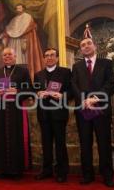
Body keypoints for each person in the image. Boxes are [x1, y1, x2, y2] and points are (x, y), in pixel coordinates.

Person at [71, 38, 114, 187]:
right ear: (80, 50)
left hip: (101, 108)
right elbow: (74, 86)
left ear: (94, 46)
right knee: (85, 143)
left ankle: (107, 175)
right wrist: (84, 100)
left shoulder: (106, 63)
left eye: (88, 43)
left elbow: (111, 84)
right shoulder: (76, 66)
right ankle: (87, 174)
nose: (86, 46)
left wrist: (96, 98)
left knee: (104, 143)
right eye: (82, 45)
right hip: (83, 110)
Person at [0, 47, 32, 179]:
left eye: (10, 54)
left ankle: (16, 169)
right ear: (2, 57)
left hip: (16, 110)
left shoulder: (23, 71)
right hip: (0, 110)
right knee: (0, 137)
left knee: (16, 137)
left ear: (15, 56)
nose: (7, 56)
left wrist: (17, 91)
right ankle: (1, 168)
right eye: (5, 55)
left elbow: (29, 89)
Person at [34, 48, 71, 183]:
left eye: (52, 55)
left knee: (60, 144)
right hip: (43, 114)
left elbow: (71, 90)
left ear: (57, 58)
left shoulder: (65, 72)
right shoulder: (38, 74)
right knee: (46, 144)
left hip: (59, 113)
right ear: (44, 58)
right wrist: (38, 93)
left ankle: (62, 172)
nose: (49, 57)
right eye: (46, 55)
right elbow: (35, 89)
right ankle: (47, 170)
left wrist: (62, 95)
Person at [0, 4, 44, 77]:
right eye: (17, 8)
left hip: (23, 41)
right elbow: (9, 30)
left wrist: (22, 34)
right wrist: (3, 35)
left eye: (20, 8)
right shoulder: (14, 19)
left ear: (23, 9)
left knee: (22, 60)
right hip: (14, 41)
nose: (18, 9)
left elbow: (29, 28)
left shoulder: (27, 17)